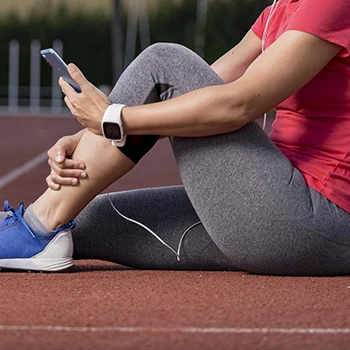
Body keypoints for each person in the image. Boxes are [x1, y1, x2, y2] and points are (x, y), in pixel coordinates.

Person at [1, 0, 350, 275]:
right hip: (271, 204)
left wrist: (111, 119)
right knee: (87, 218)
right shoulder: (282, 8)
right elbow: (208, 83)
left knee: (163, 62)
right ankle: (39, 229)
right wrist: (91, 132)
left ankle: (34, 228)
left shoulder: (331, 3)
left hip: (316, 218)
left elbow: (237, 104)